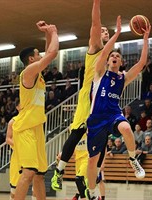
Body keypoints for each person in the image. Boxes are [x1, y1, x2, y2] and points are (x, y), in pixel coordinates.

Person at [86, 16, 150, 199]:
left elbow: (141, 64)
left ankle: (132, 159)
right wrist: (117, 34)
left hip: (113, 114)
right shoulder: (99, 72)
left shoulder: (123, 78)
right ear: (107, 60)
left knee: (126, 128)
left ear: (121, 63)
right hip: (96, 119)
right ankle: (91, 193)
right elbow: (104, 51)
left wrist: (145, 40)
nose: (114, 57)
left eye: (118, 56)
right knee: (92, 162)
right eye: (112, 56)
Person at [51, 0, 110, 191]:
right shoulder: (95, 46)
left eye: (107, 32)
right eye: (103, 31)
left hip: (101, 101)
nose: (105, 32)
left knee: (101, 140)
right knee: (77, 133)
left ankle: (92, 183)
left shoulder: (109, 57)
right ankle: (59, 172)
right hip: (88, 97)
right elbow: (95, 22)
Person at [12, 20, 59, 200]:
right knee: (29, 172)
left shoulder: (37, 73)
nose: (41, 56)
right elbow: (53, 53)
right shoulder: (29, 72)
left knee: (40, 174)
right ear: (31, 59)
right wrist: (54, 31)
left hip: (36, 127)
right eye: (38, 54)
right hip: (25, 128)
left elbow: (48, 52)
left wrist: (47, 32)